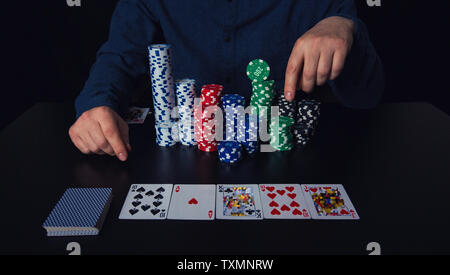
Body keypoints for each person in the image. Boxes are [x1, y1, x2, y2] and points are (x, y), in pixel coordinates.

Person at [69, 0, 384, 161]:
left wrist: (344, 26)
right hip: (187, 157)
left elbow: (367, 96)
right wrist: (97, 105)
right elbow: (119, 58)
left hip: (282, 159)